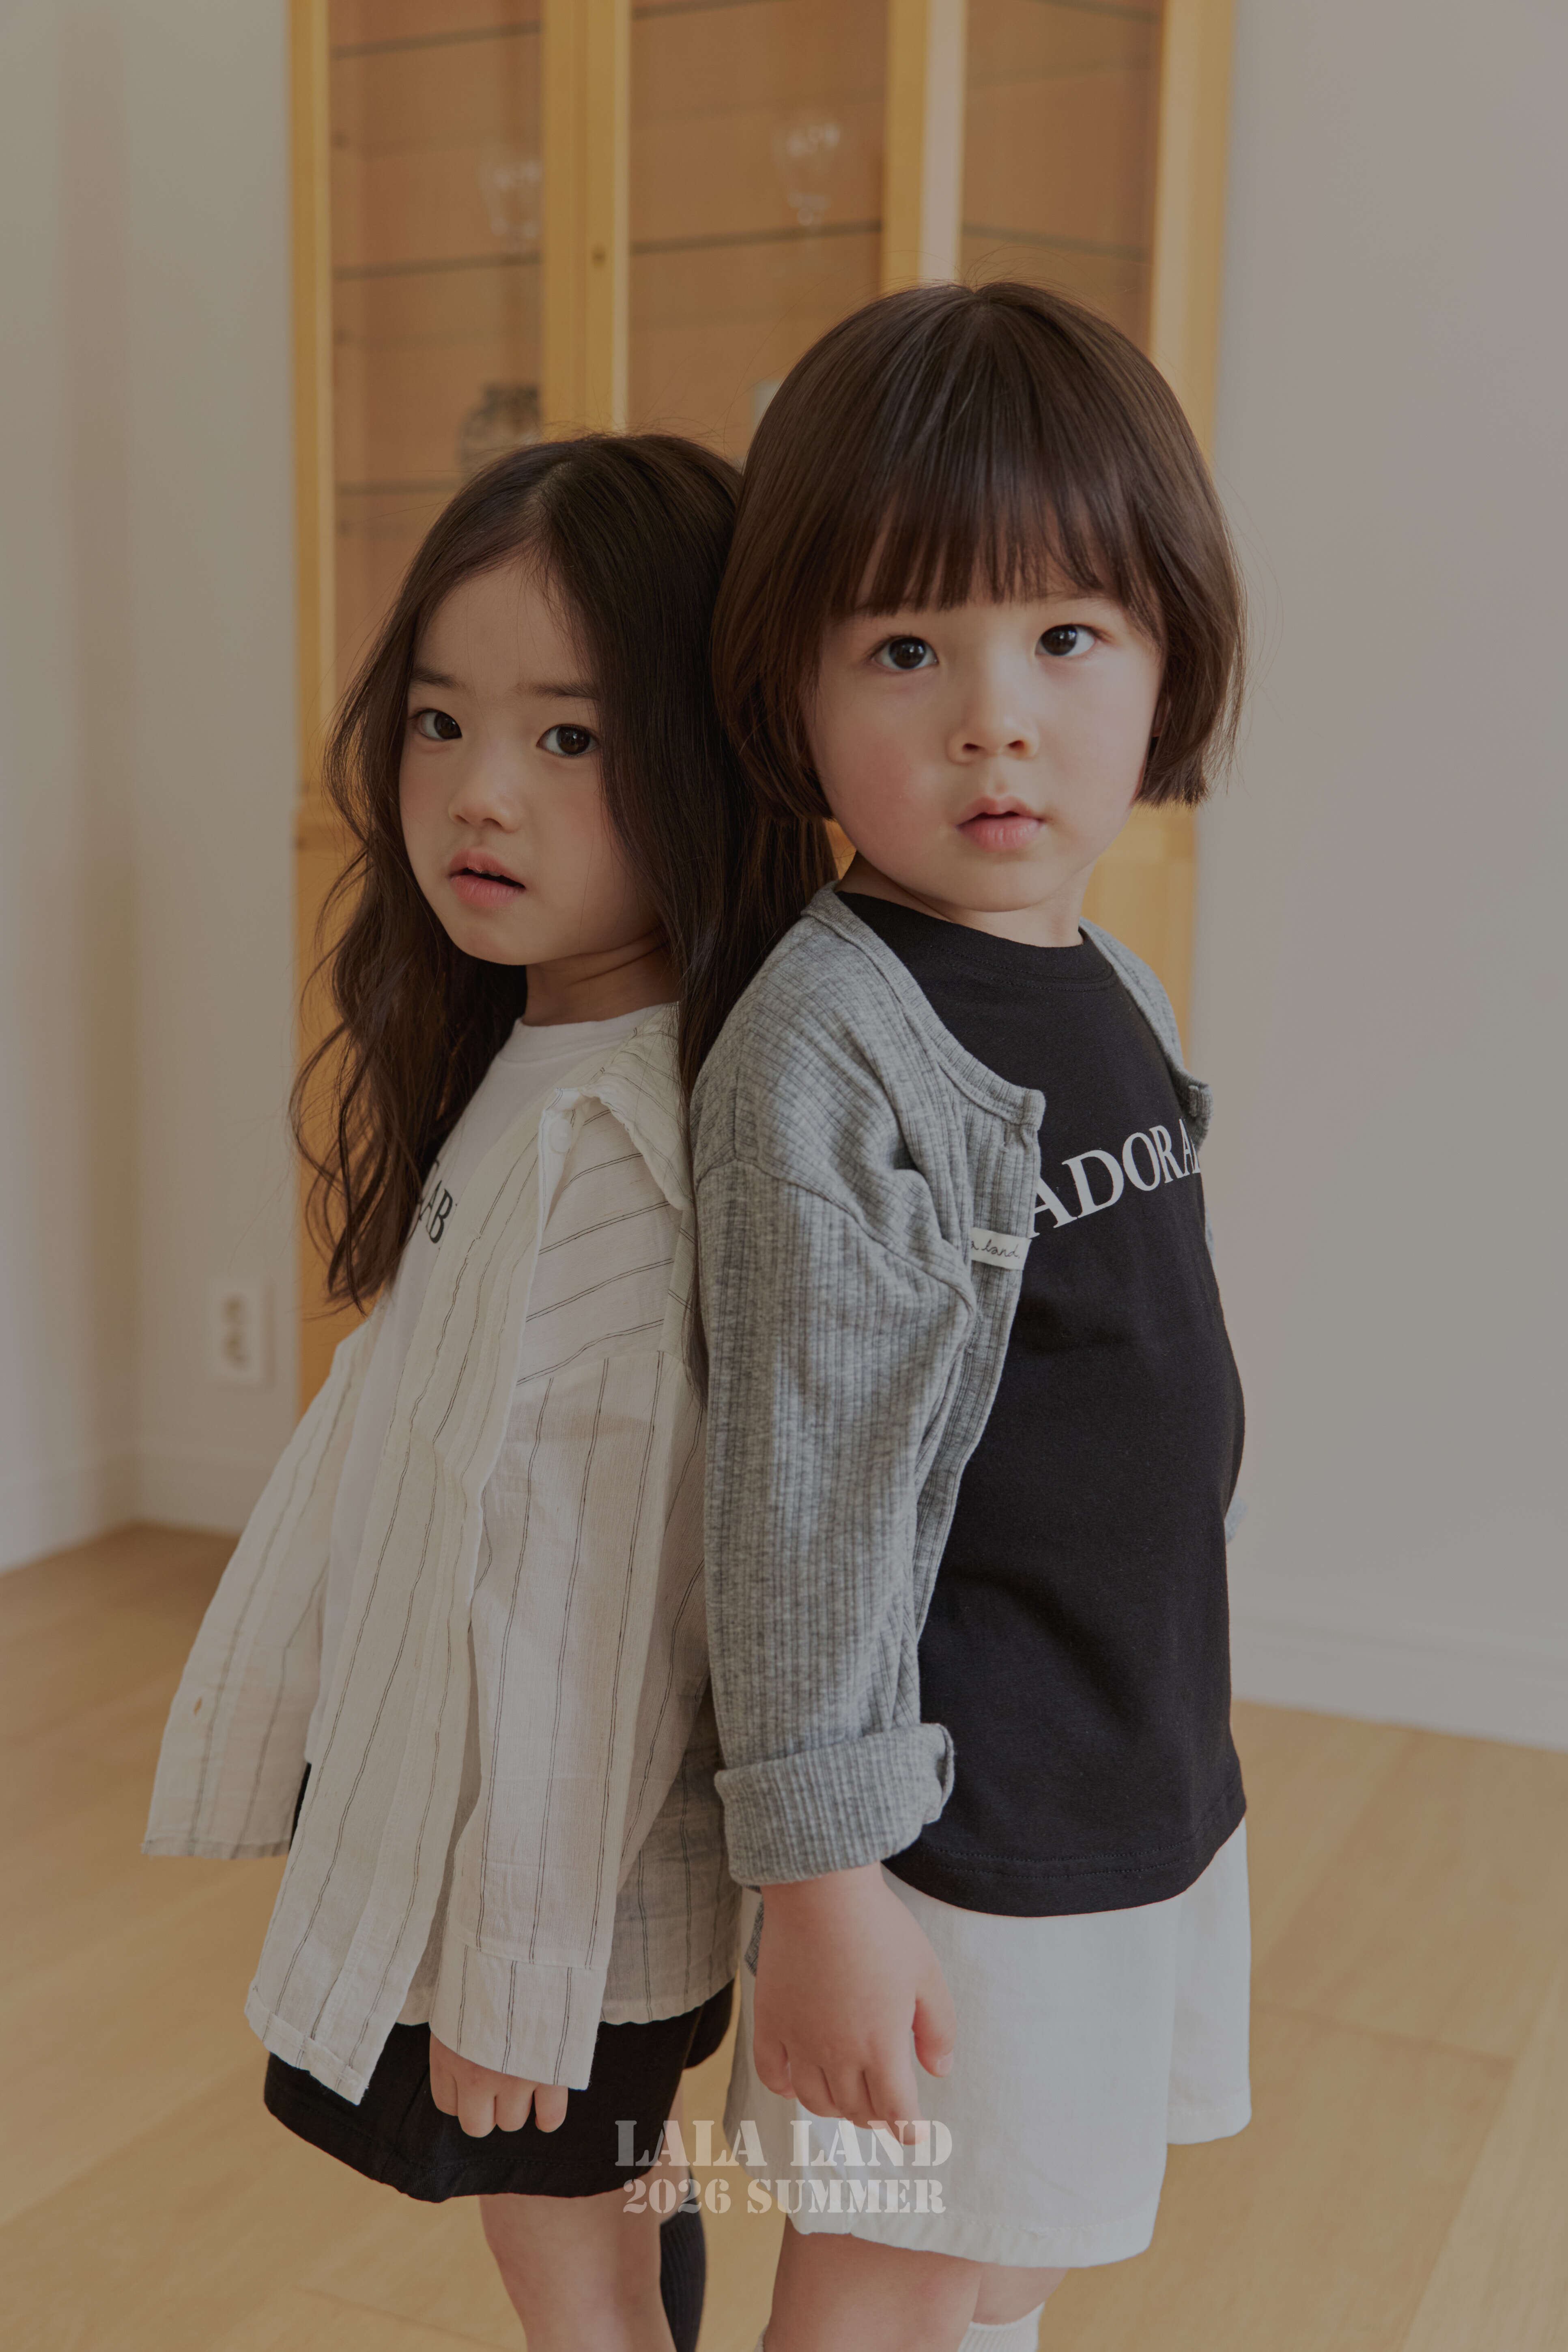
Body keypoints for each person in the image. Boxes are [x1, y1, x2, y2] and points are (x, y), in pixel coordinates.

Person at [144, 432, 834, 2352]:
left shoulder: (611, 1140)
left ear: (711, 756)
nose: (478, 791)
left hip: (549, 1879)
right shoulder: (549, 1053)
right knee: (605, 2224)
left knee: (573, 2276)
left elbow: (584, 1593)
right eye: (442, 720)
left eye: (570, 737)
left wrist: (522, 1958)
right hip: (516, 1842)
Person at [689, 281, 1251, 2352]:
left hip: (1130, 1753)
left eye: (1066, 636)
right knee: (895, 2276)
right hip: (952, 1824)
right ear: (793, 687)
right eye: (906, 648)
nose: (992, 717)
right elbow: (795, 1514)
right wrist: (824, 1887)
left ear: (1168, 657)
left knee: (1018, 2244)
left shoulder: (1106, 979)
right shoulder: (831, 1049)